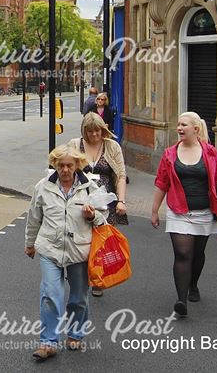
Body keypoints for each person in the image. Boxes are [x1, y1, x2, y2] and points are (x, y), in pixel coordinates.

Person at [25, 144, 107, 360]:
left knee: (78, 297)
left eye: (69, 165)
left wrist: (92, 217)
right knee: (51, 295)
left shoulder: (89, 188)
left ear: (78, 165)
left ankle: (75, 334)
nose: (65, 170)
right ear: (54, 165)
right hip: (50, 248)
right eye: (60, 165)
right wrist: (30, 243)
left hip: (79, 250)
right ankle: (48, 342)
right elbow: (34, 217)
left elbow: (102, 219)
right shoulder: (43, 187)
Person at [150, 111, 217, 317]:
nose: (179, 128)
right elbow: (162, 182)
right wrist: (154, 210)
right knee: (182, 254)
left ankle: (193, 284)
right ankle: (181, 300)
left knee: (197, 254)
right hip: (178, 211)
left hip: (204, 212)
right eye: (178, 124)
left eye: (183, 125)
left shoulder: (211, 153)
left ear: (195, 129)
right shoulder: (170, 154)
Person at [67, 112, 128, 296]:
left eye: (97, 131)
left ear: (103, 129)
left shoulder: (112, 146)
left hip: (105, 202)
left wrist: (121, 200)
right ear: (84, 131)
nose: (94, 135)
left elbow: (121, 175)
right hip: (81, 199)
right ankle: (81, 274)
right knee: (82, 239)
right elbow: (65, 169)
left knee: (100, 241)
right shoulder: (74, 144)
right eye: (90, 132)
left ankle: (98, 277)